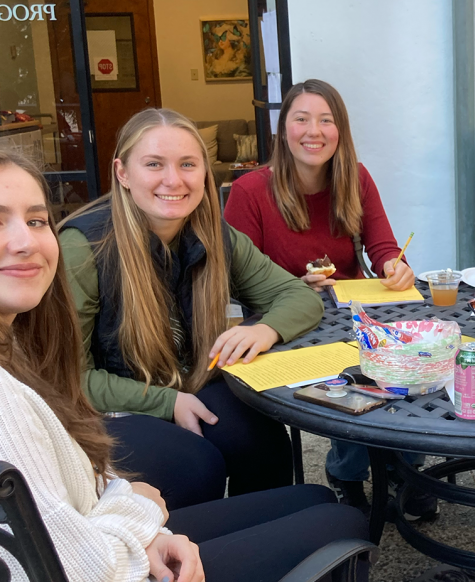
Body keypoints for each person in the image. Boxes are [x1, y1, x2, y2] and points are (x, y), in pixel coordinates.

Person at [0, 144, 368, 582]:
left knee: (310, 493)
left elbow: (57, 502)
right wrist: (142, 513)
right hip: (104, 553)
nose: (25, 241)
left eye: (36, 219)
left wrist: (136, 516)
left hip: (95, 533)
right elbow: (81, 566)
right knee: (338, 522)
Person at [59, 108, 324, 511]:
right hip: (110, 406)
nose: (174, 180)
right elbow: (70, 379)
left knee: (264, 442)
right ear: (123, 173)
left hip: (192, 380)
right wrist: (168, 403)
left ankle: (261, 548)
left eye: (188, 164)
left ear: (204, 172)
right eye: (153, 164)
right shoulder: (83, 248)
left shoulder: (214, 234)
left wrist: (264, 330)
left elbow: (300, 297)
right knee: (195, 466)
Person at [224, 79, 433, 521]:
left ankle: (404, 464)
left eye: (326, 120)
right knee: (350, 374)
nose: (313, 130)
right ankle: (349, 473)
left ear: (340, 130)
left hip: (352, 311)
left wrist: (395, 266)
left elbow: (382, 248)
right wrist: (290, 285)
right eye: (301, 119)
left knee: (410, 356)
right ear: (284, 130)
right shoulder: (250, 192)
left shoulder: (355, 176)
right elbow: (234, 278)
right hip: (283, 323)